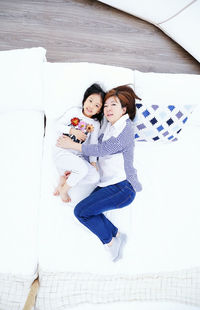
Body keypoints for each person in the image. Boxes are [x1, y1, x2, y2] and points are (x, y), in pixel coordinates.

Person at [56, 85, 142, 261]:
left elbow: (103, 149)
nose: (108, 109)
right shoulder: (107, 126)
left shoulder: (126, 129)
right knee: (86, 210)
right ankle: (117, 235)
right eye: (106, 106)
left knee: (81, 212)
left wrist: (71, 145)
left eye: (114, 105)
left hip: (123, 187)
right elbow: (93, 152)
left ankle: (110, 242)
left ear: (124, 109)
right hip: (107, 185)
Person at [54, 83, 105, 202]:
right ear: (84, 100)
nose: (91, 106)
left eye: (96, 105)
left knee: (95, 177)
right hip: (62, 152)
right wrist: (72, 130)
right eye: (90, 100)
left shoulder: (95, 124)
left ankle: (64, 180)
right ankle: (64, 190)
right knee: (82, 169)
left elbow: (93, 144)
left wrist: (93, 162)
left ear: (99, 111)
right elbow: (57, 126)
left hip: (78, 157)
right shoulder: (74, 112)